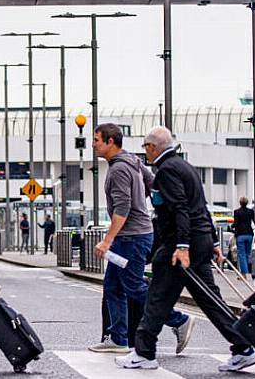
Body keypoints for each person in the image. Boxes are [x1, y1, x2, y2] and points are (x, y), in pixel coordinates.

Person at [117, 126, 255, 372]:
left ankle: (144, 352)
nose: (145, 153)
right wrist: (213, 242)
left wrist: (182, 246)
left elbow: (180, 209)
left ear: (152, 147)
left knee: (158, 297)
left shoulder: (166, 172)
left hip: (182, 246)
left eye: (145, 148)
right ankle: (243, 347)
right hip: (199, 241)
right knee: (210, 300)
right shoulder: (186, 167)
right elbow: (201, 207)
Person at [89, 123, 193, 354]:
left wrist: (106, 241)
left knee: (134, 287)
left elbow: (122, 208)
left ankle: (179, 320)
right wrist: (143, 202)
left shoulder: (118, 170)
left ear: (110, 142)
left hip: (131, 238)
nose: (93, 144)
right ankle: (117, 338)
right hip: (133, 236)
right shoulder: (133, 161)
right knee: (113, 286)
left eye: (96, 140)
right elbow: (153, 183)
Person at [233, 196, 255, 278]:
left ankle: (244, 274)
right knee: (247, 254)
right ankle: (245, 272)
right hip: (249, 234)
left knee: (241, 254)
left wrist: (232, 226)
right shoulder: (250, 211)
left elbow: (236, 223)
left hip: (240, 235)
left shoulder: (237, 212)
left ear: (240, 203)